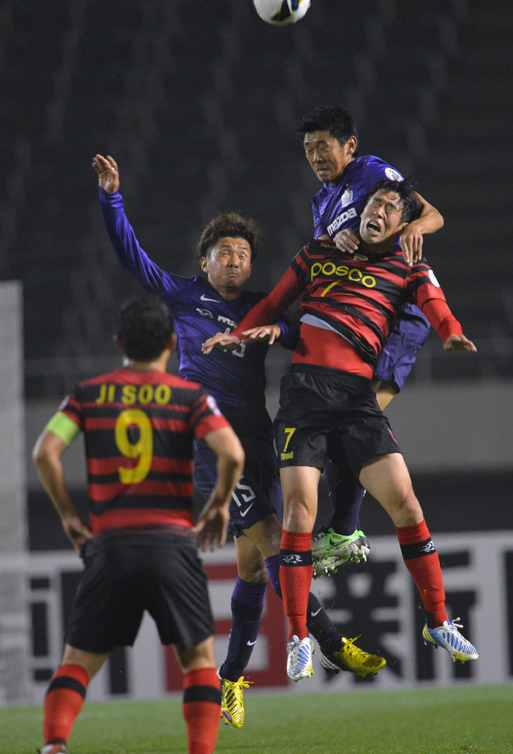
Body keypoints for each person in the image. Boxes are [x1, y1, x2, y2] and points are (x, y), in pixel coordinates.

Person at [92, 153, 386, 729]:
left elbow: (306, 332)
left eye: (244, 254)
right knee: (276, 542)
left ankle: (229, 680)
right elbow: (133, 258)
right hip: (209, 441)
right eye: (225, 252)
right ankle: (327, 640)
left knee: (253, 568)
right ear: (204, 261)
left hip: (258, 437)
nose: (236, 260)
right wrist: (111, 199)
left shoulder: (259, 307)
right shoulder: (184, 297)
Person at [202, 179, 480, 681]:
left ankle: (438, 621)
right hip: (304, 395)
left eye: (390, 208)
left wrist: (452, 332)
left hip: (356, 400)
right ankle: (299, 638)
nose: (379, 210)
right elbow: (275, 302)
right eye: (375, 202)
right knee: (298, 513)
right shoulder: (320, 251)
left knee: (407, 504)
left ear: (402, 225)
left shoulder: (409, 266)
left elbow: (435, 306)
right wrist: (237, 333)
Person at [32, 296, 245, 754]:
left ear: (119, 343)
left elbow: (45, 452)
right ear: (170, 343)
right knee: (199, 661)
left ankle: (55, 744)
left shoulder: (88, 394)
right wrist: (219, 505)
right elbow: (232, 453)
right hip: (172, 545)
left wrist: (69, 515)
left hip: (110, 546)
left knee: (78, 661)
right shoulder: (190, 397)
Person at [297, 104, 445, 578]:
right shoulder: (321, 202)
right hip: (361, 321)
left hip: (399, 312)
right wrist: (338, 244)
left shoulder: (372, 173)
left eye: (323, 146)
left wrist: (414, 227)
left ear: (350, 146)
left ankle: (345, 531)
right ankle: (344, 530)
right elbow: (328, 263)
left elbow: (433, 215)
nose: (316, 156)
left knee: (353, 420)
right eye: (308, 148)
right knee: (346, 426)